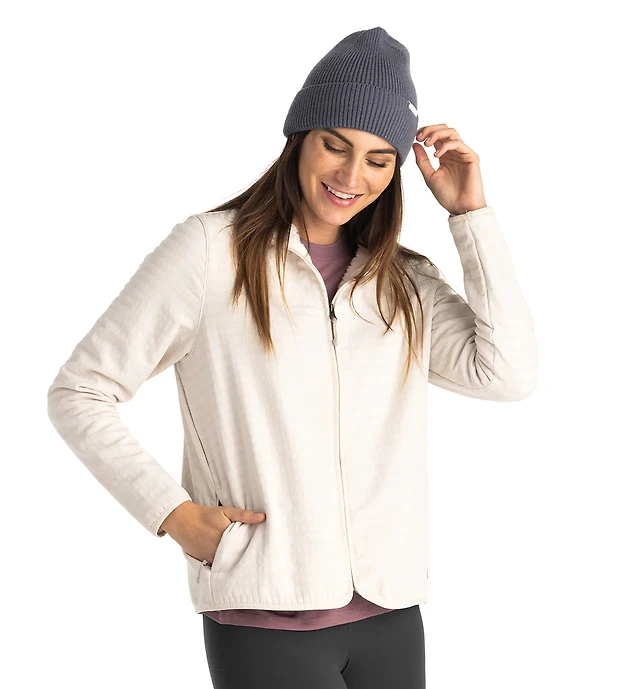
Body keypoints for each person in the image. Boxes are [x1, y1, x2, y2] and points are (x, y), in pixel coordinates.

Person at [47, 26, 538, 689]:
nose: (351, 176)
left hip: (392, 613)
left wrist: (470, 215)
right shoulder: (208, 252)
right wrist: (176, 516)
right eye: (335, 145)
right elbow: (80, 390)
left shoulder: (403, 281)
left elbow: (507, 373)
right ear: (300, 137)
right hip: (265, 616)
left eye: (378, 159)